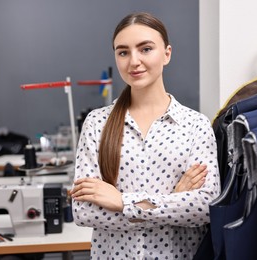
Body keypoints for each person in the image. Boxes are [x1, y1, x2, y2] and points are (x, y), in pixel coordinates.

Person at [70, 12, 220, 259]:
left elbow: (205, 207)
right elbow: (85, 211)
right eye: (123, 52)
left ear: (167, 54)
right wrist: (172, 201)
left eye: (146, 49)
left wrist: (122, 202)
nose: (134, 61)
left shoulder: (195, 125)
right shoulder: (97, 122)